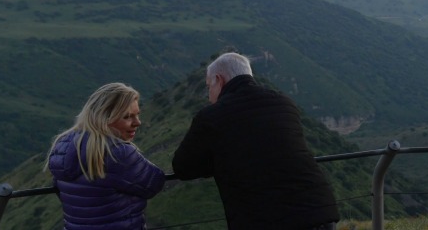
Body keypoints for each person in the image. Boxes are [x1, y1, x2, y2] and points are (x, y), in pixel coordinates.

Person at [172, 52, 340, 229]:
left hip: (266, 218)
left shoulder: (211, 116)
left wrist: (218, 161)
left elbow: (183, 167)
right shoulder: (284, 103)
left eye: (209, 87)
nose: (209, 96)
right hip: (319, 211)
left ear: (219, 80)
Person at [45, 82, 166, 230]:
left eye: (137, 115)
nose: (137, 123)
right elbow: (154, 183)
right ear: (104, 118)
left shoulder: (62, 145)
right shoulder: (118, 152)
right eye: (127, 117)